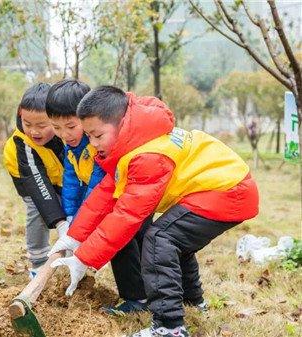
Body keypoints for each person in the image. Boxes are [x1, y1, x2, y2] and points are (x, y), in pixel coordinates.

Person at [50, 86, 259, 337]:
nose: (92, 145)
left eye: (97, 136)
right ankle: (193, 303)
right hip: (223, 188)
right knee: (175, 240)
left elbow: (126, 216)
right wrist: (73, 237)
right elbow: (105, 194)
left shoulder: (147, 155)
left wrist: (84, 258)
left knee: (160, 238)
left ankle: (169, 327)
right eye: (89, 137)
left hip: (226, 191)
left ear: (120, 123)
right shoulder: (133, 143)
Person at [45, 79, 152, 314]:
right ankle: (140, 295)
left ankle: (140, 297)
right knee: (127, 245)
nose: (64, 134)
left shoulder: (97, 144)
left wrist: (85, 221)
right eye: (57, 127)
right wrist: (71, 215)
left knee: (137, 243)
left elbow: (98, 185)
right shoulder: (72, 147)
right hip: (113, 203)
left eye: (71, 126)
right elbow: (72, 180)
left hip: (129, 200)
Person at [2, 83, 69, 278]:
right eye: (28, 124)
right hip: (28, 178)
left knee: (68, 208)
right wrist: (60, 223)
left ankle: (73, 253)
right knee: (38, 210)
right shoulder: (22, 144)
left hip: (57, 175)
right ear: (20, 114)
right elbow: (39, 186)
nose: (34, 131)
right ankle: (38, 261)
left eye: (41, 125)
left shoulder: (63, 130)